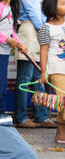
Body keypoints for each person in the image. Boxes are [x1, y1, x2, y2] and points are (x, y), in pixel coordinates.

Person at [14, 0, 56, 128]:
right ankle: (21, 117)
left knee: (38, 78)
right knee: (25, 78)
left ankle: (41, 116)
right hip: (30, 29)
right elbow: (34, 12)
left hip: (38, 29)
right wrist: (44, 29)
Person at [0, 0, 27, 115]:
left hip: (3, 53)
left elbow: (11, 30)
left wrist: (19, 44)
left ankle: (0, 119)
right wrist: (8, 40)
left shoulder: (9, 8)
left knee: (1, 90)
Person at [38, 0, 65, 143]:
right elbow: (44, 50)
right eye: (63, 4)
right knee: (64, 100)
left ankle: (61, 134)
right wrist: (44, 71)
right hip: (56, 69)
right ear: (53, 9)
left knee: (63, 103)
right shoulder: (46, 28)